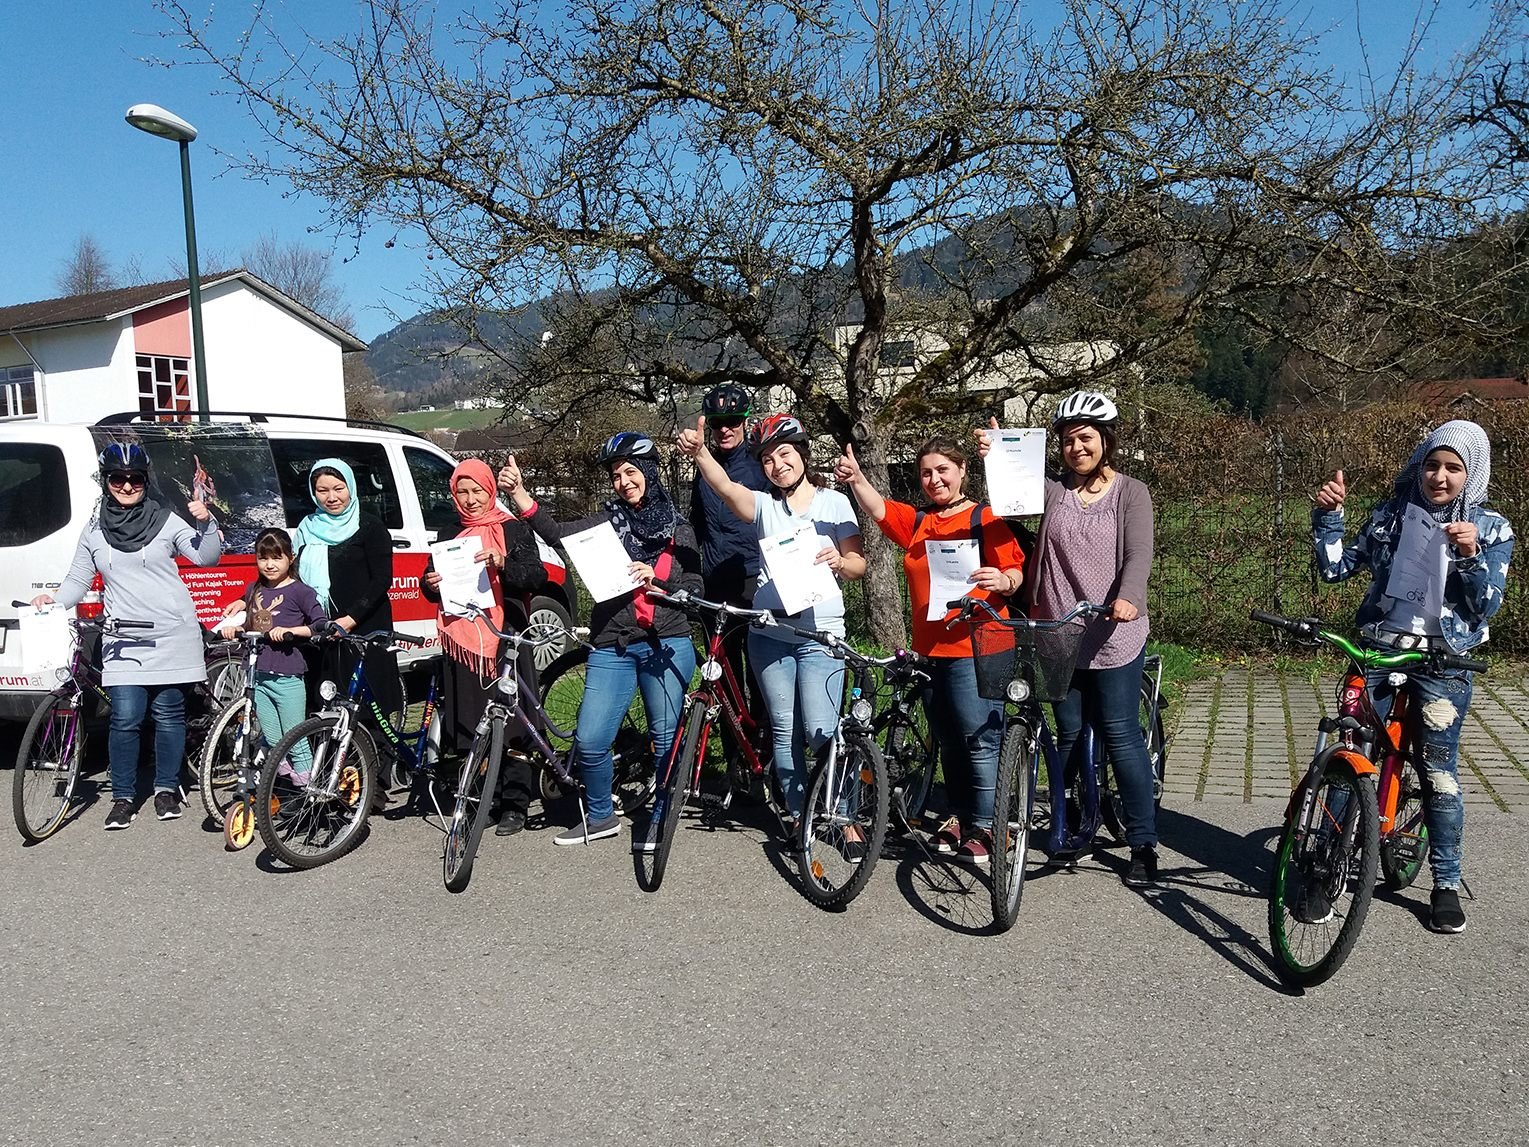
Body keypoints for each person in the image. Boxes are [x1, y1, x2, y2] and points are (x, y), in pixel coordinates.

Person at [1312, 420, 1513, 934]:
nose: (1439, 477)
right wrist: (1328, 518)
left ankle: (1445, 883)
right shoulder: (1391, 516)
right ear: (1419, 466)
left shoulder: (1491, 529)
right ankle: (1324, 866)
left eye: (1453, 468)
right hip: (1379, 649)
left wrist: (1470, 557)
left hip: (1443, 663)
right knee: (1349, 753)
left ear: (1474, 475)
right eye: (1432, 464)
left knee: (1437, 770)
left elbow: (1485, 607)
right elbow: (1335, 570)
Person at [977, 391, 1159, 886]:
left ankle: (1143, 842)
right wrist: (998, 450)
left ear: (1105, 440)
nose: (1077, 447)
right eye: (1069, 440)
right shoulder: (1056, 490)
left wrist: (1129, 597)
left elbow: (1138, 554)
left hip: (1112, 631)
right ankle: (1076, 821)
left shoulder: (1130, 493)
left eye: (1086, 438)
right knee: (1071, 734)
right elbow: (1014, 484)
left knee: (1120, 735)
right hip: (1057, 631)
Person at [498, 433, 702, 847]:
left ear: (648, 473)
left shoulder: (679, 529)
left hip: (667, 643)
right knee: (590, 739)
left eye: (631, 472)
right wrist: (520, 493)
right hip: (614, 643)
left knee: (666, 739)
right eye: (616, 476)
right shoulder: (607, 523)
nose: (623, 482)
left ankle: (662, 815)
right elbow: (556, 532)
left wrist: (658, 580)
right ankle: (600, 814)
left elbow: (695, 586)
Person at [833, 437, 1025, 864]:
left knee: (980, 740)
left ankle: (992, 827)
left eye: (943, 470)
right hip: (930, 651)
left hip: (978, 645)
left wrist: (1004, 582)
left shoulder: (985, 516)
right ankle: (959, 815)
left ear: (961, 472)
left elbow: (1014, 569)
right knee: (950, 739)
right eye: (926, 473)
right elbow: (879, 509)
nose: (934, 479)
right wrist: (858, 478)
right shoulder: (919, 521)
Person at [677, 413, 865, 827]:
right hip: (770, 633)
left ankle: (845, 813)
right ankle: (799, 816)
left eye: (784, 455)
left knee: (820, 730)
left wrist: (840, 561)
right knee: (783, 730)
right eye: (767, 460)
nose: (777, 465)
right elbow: (725, 488)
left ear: (801, 454)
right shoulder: (764, 506)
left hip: (820, 633)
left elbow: (858, 564)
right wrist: (701, 453)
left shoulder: (833, 502)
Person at [33, 441, 221, 828]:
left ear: (144, 480)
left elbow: (206, 557)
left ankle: (166, 790)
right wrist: (53, 600)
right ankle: (123, 798)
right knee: (126, 716)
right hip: (123, 637)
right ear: (107, 480)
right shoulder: (95, 528)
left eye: (134, 478)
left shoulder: (167, 520)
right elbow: (78, 578)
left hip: (172, 632)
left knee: (169, 715)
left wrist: (206, 522)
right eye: (118, 478)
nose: (127, 485)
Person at [422, 459, 548, 837]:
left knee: (512, 722)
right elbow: (434, 587)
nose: (471, 499)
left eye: (477, 490)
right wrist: (431, 583)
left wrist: (503, 561)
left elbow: (536, 576)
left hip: (505, 636)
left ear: (490, 489)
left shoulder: (511, 528)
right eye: (463, 491)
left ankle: (515, 803)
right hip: (463, 640)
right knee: (471, 724)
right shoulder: (449, 532)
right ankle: (483, 799)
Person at [689, 382, 770, 775]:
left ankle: (766, 752)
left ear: (744, 422)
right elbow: (697, 524)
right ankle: (735, 759)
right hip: (715, 582)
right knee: (720, 675)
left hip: (753, 580)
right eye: (718, 422)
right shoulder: (702, 470)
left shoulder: (759, 466)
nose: (725, 429)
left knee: (758, 674)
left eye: (732, 421)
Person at [291, 457, 402, 727]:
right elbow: (290, 575)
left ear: (350, 487)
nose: (331, 497)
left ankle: (378, 765)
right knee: (324, 704)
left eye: (338, 488)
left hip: (363, 629)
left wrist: (350, 619)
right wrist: (244, 600)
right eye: (323, 490)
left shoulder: (370, 526)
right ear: (313, 493)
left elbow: (381, 580)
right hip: (321, 632)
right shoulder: (306, 528)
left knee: (367, 709)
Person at [221, 528, 327, 785]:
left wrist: (292, 631)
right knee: (275, 741)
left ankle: (309, 792)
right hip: (257, 675)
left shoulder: (301, 591)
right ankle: (286, 789)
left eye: (276, 558)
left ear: (290, 558)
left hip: (287, 676)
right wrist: (235, 629)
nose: (269, 564)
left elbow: (321, 624)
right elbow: (253, 625)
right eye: (263, 558)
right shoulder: (252, 590)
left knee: (295, 740)